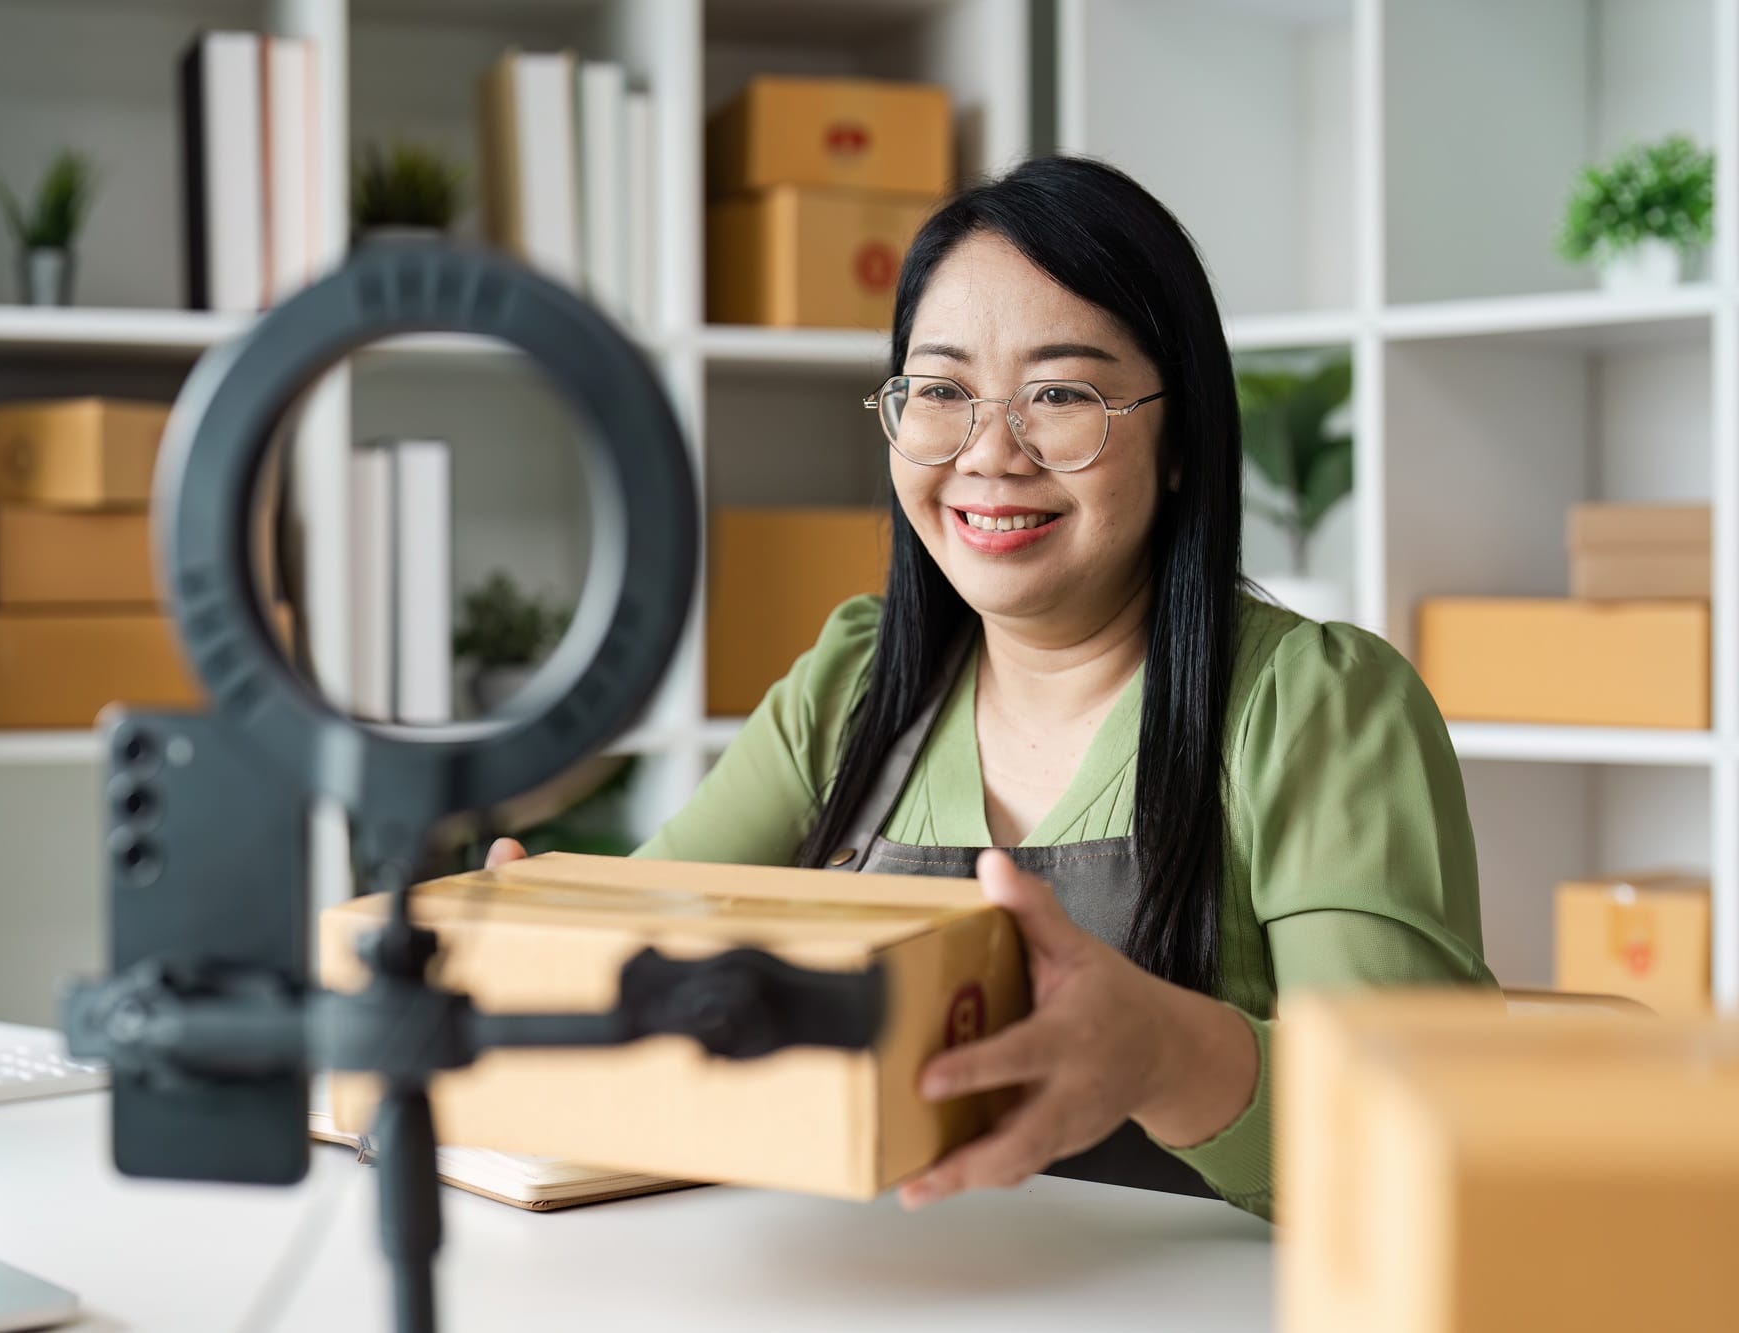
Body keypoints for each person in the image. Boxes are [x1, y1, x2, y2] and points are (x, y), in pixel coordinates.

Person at [486, 156, 1494, 1222]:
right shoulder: (853, 685)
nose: (987, 453)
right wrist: (548, 949)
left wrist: (1159, 1054)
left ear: (1182, 440)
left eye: (1058, 394)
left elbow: (1413, 1144)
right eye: (940, 393)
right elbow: (650, 946)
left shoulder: (1316, 706)